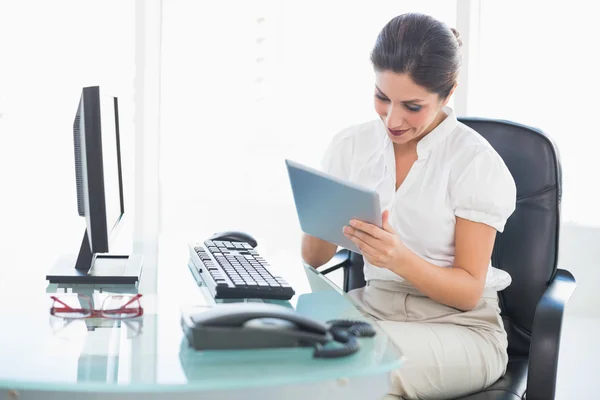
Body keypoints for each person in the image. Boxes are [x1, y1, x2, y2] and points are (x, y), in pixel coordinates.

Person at [301, 12, 517, 400]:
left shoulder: (474, 163)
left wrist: (398, 258)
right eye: (382, 97)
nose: (392, 119)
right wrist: (318, 208)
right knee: (284, 355)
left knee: (355, 372)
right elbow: (314, 258)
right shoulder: (351, 147)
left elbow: (468, 291)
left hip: (461, 328)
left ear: (448, 94)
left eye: (412, 106)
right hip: (374, 310)